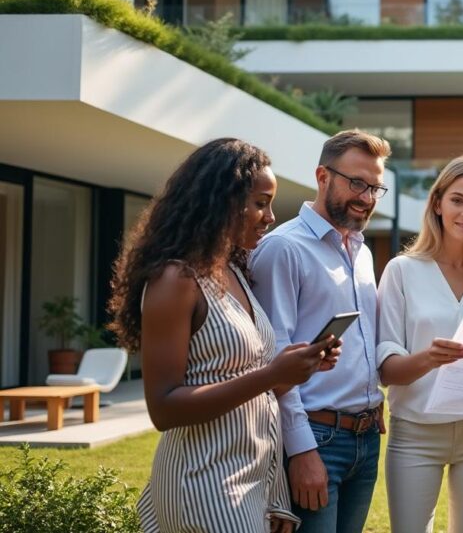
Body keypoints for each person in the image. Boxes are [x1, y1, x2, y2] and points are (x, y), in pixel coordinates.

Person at [107, 138, 335, 533]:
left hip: (250, 481)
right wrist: (272, 374)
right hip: (204, 484)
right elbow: (163, 408)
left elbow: (249, 386)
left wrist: (300, 367)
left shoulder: (234, 271)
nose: (269, 217)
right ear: (223, 201)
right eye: (260, 203)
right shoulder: (176, 279)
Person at [249, 130, 392, 533]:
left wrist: (369, 396)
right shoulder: (283, 248)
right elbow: (273, 355)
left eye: (375, 188)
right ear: (322, 176)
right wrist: (301, 450)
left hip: (366, 437)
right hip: (316, 438)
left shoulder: (361, 251)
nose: (366, 197)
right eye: (357, 183)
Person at [376, 155, 463, 533]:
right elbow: (387, 371)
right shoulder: (402, 271)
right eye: (458, 200)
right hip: (416, 434)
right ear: (437, 203)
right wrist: (429, 358)